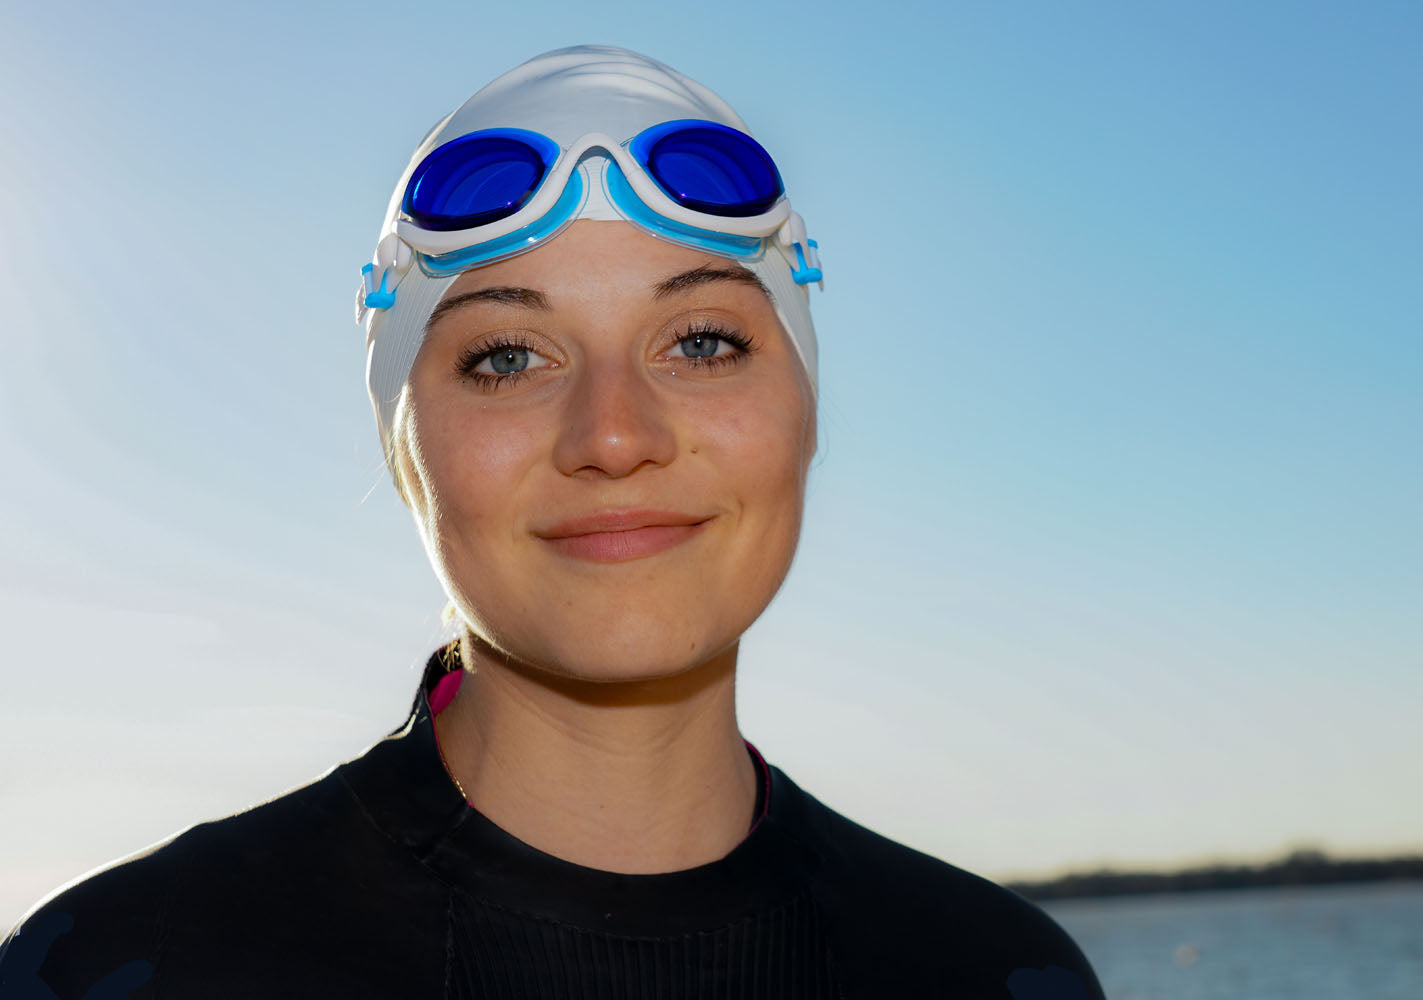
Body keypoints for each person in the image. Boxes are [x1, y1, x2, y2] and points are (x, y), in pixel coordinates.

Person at [0, 46, 1103, 999]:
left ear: (808, 414)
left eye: (703, 342)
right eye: (509, 358)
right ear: (404, 448)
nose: (614, 435)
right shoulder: (124, 968)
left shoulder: (996, 971)